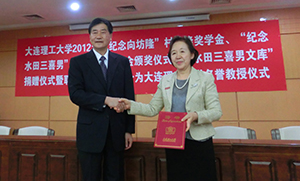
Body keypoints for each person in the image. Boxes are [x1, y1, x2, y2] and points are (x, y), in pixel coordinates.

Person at [116, 35, 222, 181]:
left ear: (192, 54)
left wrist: (195, 115)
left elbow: (216, 111)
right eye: (173, 53)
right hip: (173, 142)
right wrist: (130, 105)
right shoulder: (166, 80)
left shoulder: (205, 78)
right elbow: (152, 108)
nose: (178, 56)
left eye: (182, 51)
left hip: (200, 142)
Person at [68, 17, 135, 181]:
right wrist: (105, 100)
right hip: (90, 132)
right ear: (90, 37)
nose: (98, 36)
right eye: (94, 32)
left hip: (117, 131)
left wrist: (128, 130)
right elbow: (76, 94)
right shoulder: (78, 62)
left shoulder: (122, 62)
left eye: (103, 32)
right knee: (91, 176)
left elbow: (129, 97)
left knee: (115, 176)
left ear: (110, 36)